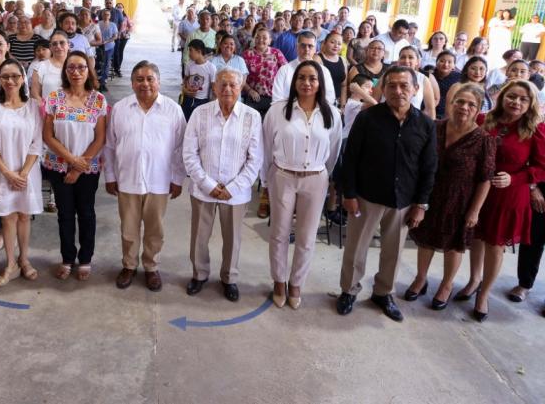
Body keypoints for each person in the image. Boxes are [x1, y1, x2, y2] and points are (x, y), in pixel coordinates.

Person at [337, 66, 437, 322]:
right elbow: (350, 159)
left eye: (405, 86)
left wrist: (421, 204)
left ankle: (383, 293)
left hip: (403, 200)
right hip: (366, 196)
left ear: (415, 89)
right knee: (356, 248)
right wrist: (348, 193)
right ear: (383, 89)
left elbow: (429, 166)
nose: (398, 91)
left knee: (393, 251)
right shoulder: (368, 118)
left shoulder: (425, 124)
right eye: (392, 85)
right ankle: (349, 290)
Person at [450, 81, 545, 322]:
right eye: (512, 96)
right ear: (502, 97)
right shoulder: (484, 119)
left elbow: (541, 167)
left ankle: (484, 293)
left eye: (523, 99)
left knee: (495, 244)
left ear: (530, 103)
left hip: (509, 194)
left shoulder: (535, 128)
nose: (516, 102)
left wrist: (515, 178)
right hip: (479, 190)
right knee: (477, 237)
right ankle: (473, 280)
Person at [402, 83, 494, 310]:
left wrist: (475, 210)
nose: (464, 107)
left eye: (471, 104)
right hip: (429, 195)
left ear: (478, 109)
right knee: (425, 239)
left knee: (454, 245)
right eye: (460, 102)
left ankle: (446, 284)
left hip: (461, 200)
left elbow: (485, 178)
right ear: (451, 104)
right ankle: (420, 278)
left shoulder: (484, 139)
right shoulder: (434, 127)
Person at [262, 61, 342, 309]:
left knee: (307, 237)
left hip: (315, 179)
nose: (307, 83)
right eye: (302, 78)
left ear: (320, 84)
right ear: (294, 82)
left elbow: (334, 150)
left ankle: (296, 283)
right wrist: (266, 180)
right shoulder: (277, 111)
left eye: (312, 79)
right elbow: (265, 147)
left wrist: (322, 175)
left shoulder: (332, 114)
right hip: (283, 176)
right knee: (279, 233)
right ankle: (279, 280)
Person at [104, 60, 186, 291]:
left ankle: (151, 266)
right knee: (128, 228)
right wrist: (110, 175)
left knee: (154, 229)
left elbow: (181, 148)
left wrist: (177, 179)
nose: (145, 84)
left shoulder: (173, 110)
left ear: (158, 82)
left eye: (150, 79)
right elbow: (109, 146)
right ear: (131, 83)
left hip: (159, 181)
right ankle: (129, 265)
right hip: (127, 179)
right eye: (139, 79)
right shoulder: (120, 109)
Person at [182, 68, 262, 302]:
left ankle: (229, 278)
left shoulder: (251, 117)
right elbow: (189, 153)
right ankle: (199, 274)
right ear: (214, 87)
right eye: (223, 85)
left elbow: (255, 159)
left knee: (233, 238)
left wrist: (233, 187)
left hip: (235, 194)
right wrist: (207, 184)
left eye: (233, 85)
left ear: (240, 87)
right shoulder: (200, 113)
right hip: (203, 190)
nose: (227, 89)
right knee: (199, 235)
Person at [42, 51, 107, 281]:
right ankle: (67, 258)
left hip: (87, 169)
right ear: (65, 71)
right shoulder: (54, 98)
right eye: (71, 68)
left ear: (88, 70)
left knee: (87, 214)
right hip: (60, 167)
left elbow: (100, 138)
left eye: (81, 67)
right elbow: (48, 136)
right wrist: (71, 161)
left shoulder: (98, 99)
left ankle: (86, 258)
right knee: (65, 215)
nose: (76, 72)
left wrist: (79, 167)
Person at [0, 58, 43, 286]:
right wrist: (8, 173)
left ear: (23, 78)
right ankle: (10, 264)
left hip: (27, 172)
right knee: (8, 219)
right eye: (5, 76)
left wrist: (24, 172)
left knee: (25, 216)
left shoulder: (33, 107)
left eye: (15, 76)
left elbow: (37, 142)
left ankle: (24, 259)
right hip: (1, 172)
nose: (10, 81)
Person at [272, 31, 336, 106]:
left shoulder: (324, 71)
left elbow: (329, 98)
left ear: (315, 49)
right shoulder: (284, 70)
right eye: (303, 45)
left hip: (316, 114)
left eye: (310, 46)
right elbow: (276, 99)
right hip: (287, 113)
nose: (306, 49)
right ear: (296, 47)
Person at [181, 39, 216, 121]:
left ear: (199, 51)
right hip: (188, 99)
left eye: (191, 51)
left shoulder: (211, 67)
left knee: (200, 123)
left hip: (202, 101)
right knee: (186, 120)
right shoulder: (189, 64)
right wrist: (185, 90)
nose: (189, 54)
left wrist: (212, 103)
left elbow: (213, 88)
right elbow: (185, 80)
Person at [30, 30, 69, 104]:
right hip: (48, 112)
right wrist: (46, 109)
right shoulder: (40, 67)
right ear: (50, 47)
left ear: (68, 44)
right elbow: (34, 94)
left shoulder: (76, 65)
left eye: (62, 43)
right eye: (54, 44)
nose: (58, 46)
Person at [315, 32, 348, 106]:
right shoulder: (317, 59)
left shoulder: (343, 60)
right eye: (332, 42)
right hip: (321, 102)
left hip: (338, 102)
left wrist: (343, 106)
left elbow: (344, 85)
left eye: (339, 44)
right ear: (325, 43)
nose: (336, 46)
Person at [431, 51, 460, 119]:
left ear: (454, 65)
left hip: (449, 114)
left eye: (449, 62)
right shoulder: (429, 77)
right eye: (442, 61)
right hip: (430, 111)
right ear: (436, 62)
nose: (445, 64)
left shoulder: (459, 78)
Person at [97, 8, 119, 92]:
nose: (106, 16)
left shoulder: (113, 25)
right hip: (98, 47)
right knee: (99, 64)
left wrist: (106, 41)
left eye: (107, 14)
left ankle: (103, 82)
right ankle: (98, 80)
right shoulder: (98, 24)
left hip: (109, 46)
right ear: (102, 15)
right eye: (104, 14)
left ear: (110, 16)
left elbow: (115, 36)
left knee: (106, 63)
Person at [112, 2, 131, 78]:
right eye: (118, 7)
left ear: (123, 9)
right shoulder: (113, 16)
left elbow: (130, 26)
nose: (119, 8)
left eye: (121, 7)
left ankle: (118, 67)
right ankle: (115, 67)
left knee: (120, 51)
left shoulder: (126, 17)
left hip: (123, 37)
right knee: (115, 52)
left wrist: (126, 32)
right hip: (115, 37)